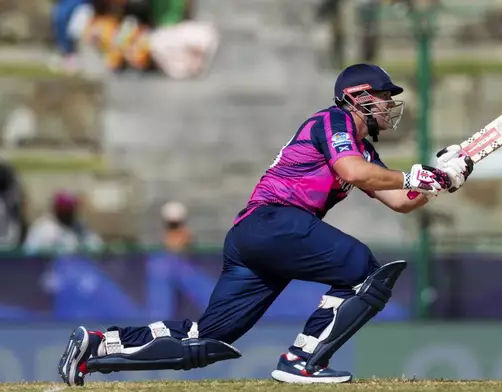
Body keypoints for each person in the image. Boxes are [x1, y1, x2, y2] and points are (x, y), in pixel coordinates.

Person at [57, 63, 474, 386]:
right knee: (362, 271)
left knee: (207, 338)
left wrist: (442, 178)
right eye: (384, 96)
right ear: (357, 96)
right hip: (275, 222)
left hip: (255, 236)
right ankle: (303, 361)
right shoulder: (334, 121)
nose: (389, 105)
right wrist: (417, 176)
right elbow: (356, 171)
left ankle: (96, 346)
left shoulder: (363, 149)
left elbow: (400, 200)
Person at [23, 191, 103, 255]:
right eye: (64, 209)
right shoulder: (44, 228)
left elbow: (97, 246)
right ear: (56, 209)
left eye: (71, 209)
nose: (68, 212)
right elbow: (30, 253)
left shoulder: (80, 226)